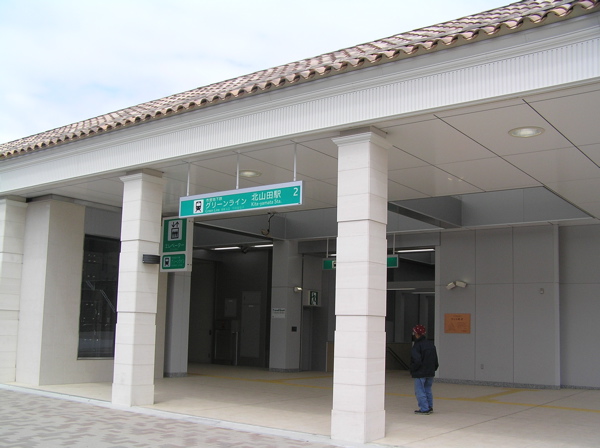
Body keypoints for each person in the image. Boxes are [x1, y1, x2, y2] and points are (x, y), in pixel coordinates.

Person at [410, 324, 439, 415]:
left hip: (420, 372)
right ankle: (429, 406)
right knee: (428, 390)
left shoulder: (417, 346)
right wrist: (434, 368)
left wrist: (413, 370)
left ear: (416, 334)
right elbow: (435, 359)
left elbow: (417, 360)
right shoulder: (430, 344)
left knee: (420, 391)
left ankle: (424, 408)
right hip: (430, 372)